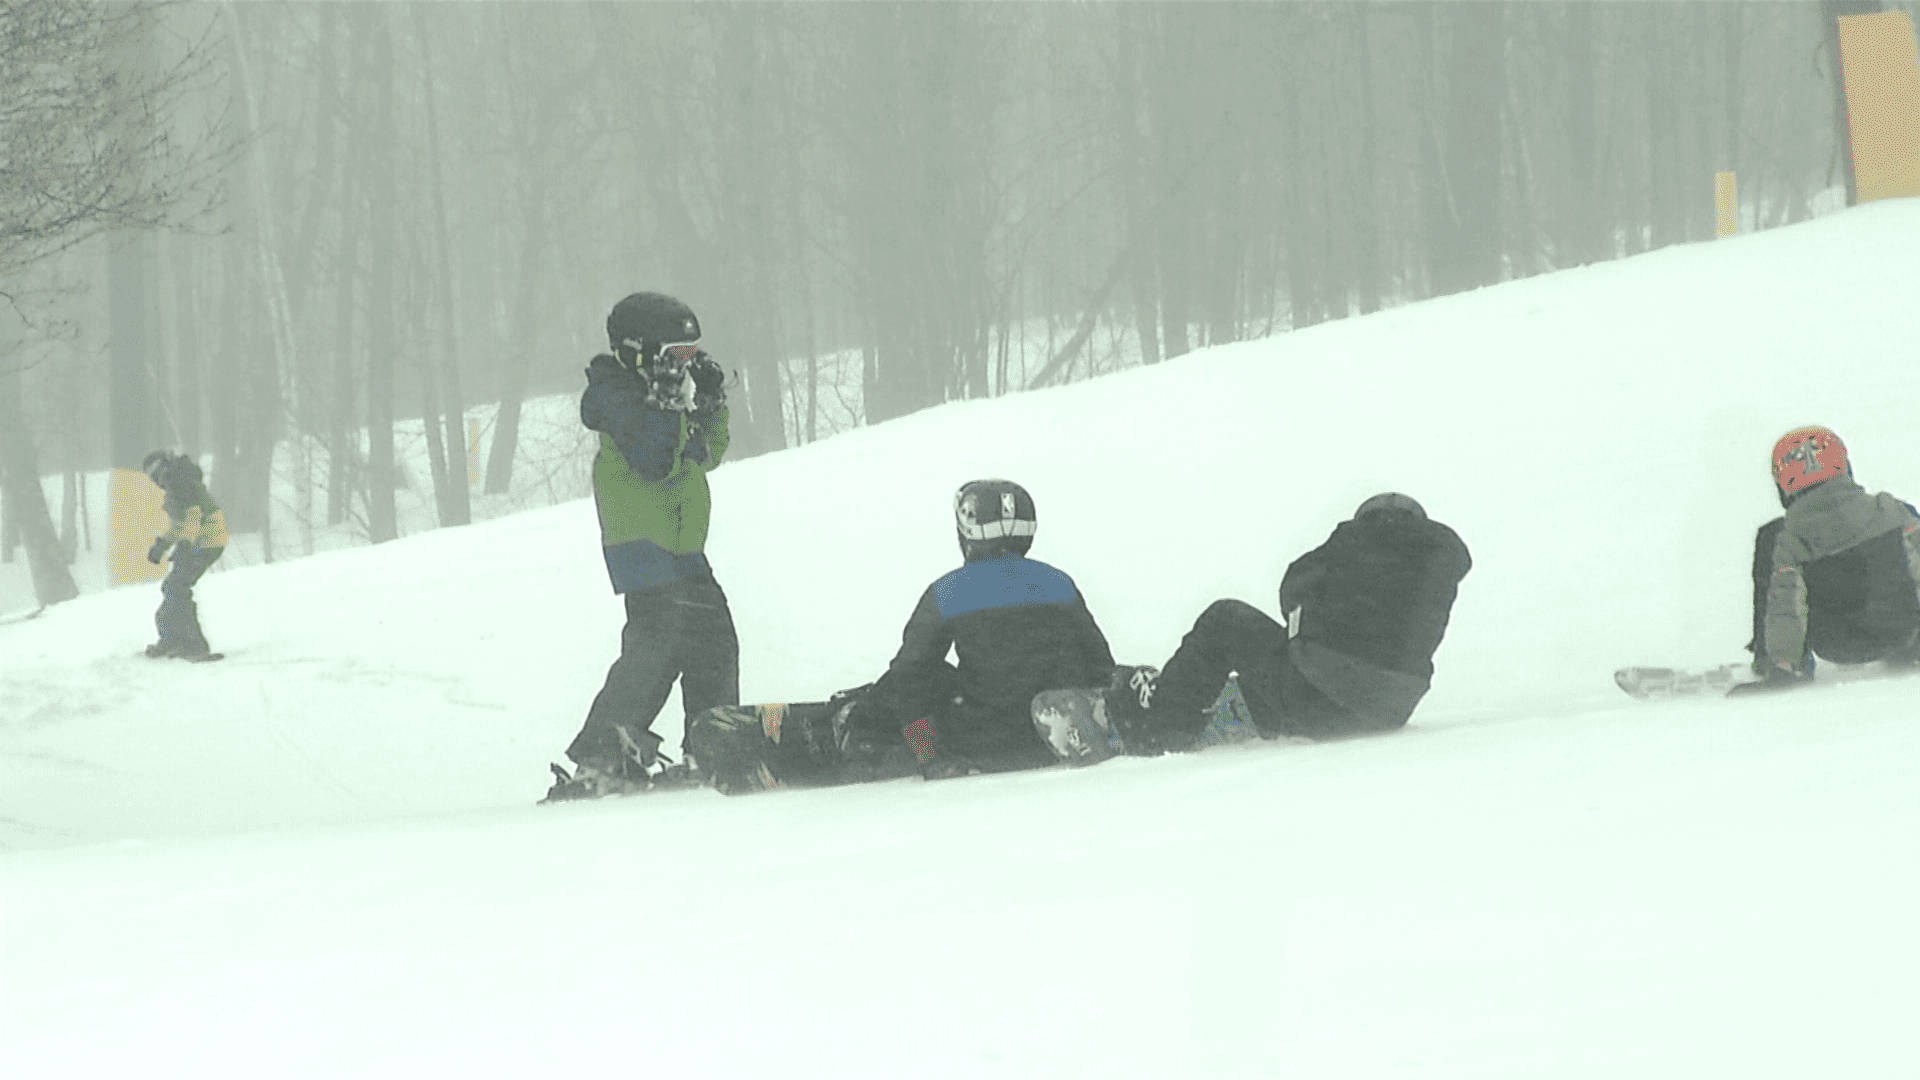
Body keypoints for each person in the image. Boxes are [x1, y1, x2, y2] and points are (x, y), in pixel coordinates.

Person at [545, 292, 738, 800]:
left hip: (681, 541)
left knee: (712, 640)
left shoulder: (658, 394)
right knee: (659, 640)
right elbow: (655, 458)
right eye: (674, 354)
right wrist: (668, 403)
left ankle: (712, 741)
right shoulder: (612, 394)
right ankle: (602, 754)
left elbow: (702, 454)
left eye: (690, 355)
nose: (684, 364)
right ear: (638, 351)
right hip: (641, 537)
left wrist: (710, 405)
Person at [1110, 493, 1470, 750]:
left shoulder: (1353, 538)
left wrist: (1310, 630)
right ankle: (1264, 709)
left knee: (1225, 619)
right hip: (1389, 712)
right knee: (1302, 663)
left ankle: (1159, 726)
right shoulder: (1437, 568)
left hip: (1320, 699)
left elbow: (1294, 587)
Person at [831, 478, 1118, 781]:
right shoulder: (1058, 582)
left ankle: (854, 732)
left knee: (913, 679)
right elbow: (1100, 666)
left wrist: (926, 753)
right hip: (1051, 740)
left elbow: (908, 678)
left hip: (979, 743)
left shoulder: (948, 591)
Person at [1732, 426, 1920, 695]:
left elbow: (1786, 602)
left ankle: (1780, 661)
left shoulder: (1788, 538)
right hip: (1903, 636)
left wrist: (1783, 666)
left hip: (1837, 644)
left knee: (1771, 542)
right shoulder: (1891, 511)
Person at [140, 450, 227, 660]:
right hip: (202, 540)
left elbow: (191, 520)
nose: (158, 480)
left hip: (205, 542)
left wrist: (173, 544)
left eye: (159, 473)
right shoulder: (179, 482)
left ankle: (192, 644)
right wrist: (167, 544)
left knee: (176, 587)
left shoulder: (181, 483)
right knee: (173, 587)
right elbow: (185, 523)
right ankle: (173, 640)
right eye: (153, 477)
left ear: (167, 466)